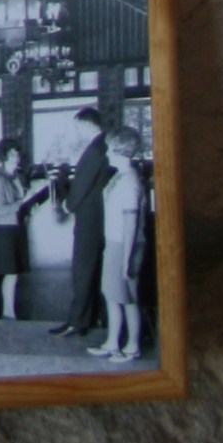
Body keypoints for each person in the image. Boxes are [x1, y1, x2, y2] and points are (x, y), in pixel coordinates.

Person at [52, 106, 110, 336]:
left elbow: (82, 185)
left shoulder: (95, 149)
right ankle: (92, 317)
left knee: (83, 269)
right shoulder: (102, 145)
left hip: (90, 218)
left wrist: (67, 206)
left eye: (78, 127)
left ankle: (78, 321)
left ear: (87, 124)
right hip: (98, 216)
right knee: (92, 268)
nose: (77, 133)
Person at [92, 128, 148, 361]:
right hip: (114, 243)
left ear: (120, 151)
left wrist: (126, 260)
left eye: (110, 148)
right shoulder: (120, 177)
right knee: (112, 295)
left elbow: (131, 223)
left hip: (125, 245)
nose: (107, 153)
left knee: (128, 297)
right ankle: (112, 342)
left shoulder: (129, 182)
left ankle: (132, 346)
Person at [0, 141, 47, 320]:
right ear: (4, 157)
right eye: (13, 154)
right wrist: (24, 200)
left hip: (16, 227)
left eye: (17, 153)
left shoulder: (17, 177)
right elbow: (1, 209)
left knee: (13, 273)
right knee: (10, 271)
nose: (17, 157)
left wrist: (33, 201)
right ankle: (8, 312)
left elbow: (22, 202)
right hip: (5, 229)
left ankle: (9, 310)